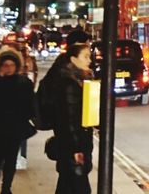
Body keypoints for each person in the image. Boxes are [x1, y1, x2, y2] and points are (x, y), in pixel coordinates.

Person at [0, 47, 36, 194]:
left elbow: (31, 103)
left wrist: (29, 117)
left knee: (11, 158)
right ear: (0, 66)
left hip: (15, 126)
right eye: (6, 65)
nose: (9, 68)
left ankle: (6, 187)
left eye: (12, 65)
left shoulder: (24, 82)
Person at [50, 36, 96, 194]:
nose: (89, 60)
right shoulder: (70, 84)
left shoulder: (78, 80)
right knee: (80, 187)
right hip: (74, 147)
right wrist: (77, 149)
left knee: (66, 185)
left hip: (72, 145)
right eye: (85, 56)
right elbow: (69, 120)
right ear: (73, 59)